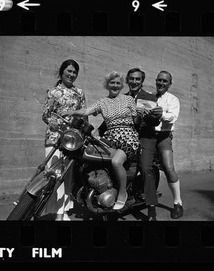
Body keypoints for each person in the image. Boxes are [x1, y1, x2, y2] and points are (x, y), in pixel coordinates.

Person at [62, 71, 140, 210]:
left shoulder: (129, 100)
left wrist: (144, 114)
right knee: (90, 154)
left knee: (116, 162)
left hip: (128, 136)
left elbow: (136, 119)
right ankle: (100, 186)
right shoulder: (102, 102)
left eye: (117, 83)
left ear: (121, 85)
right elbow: (86, 111)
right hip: (110, 136)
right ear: (107, 85)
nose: (115, 85)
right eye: (112, 83)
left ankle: (123, 194)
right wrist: (72, 112)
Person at [41, 59, 86, 221]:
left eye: (74, 72)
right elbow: (46, 115)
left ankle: (62, 212)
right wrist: (59, 122)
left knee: (67, 177)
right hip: (54, 139)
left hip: (72, 142)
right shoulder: (53, 92)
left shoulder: (79, 93)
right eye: (69, 71)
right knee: (53, 175)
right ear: (61, 72)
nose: (72, 75)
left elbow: (83, 116)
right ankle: (51, 210)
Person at [123, 68, 163, 221]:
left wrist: (154, 116)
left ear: (142, 81)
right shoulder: (122, 98)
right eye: (131, 78)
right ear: (127, 80)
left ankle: (151, 207)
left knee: (146, 168)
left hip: (145, 136)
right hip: (126, 137)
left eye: (137, 79)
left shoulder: (149, 97)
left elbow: (154, 122)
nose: (134, 82)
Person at [154, 70, 184, 219]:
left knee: (168, 167)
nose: (161, 83)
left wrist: (161, 114)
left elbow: (172, 117)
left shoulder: (173, 100)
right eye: (159, 80)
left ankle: (178, 203)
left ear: (169, 84)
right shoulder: (149, 98)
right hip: (147, 136)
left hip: (163, 136)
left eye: (165, 81)